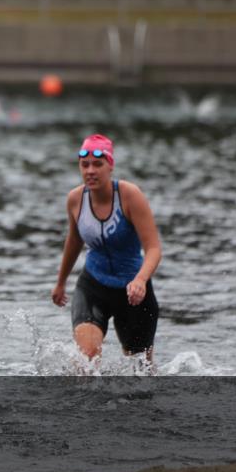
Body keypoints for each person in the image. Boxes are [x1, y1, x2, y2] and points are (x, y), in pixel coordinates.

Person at [51, 134, 162, 373]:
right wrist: (60, 283)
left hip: (133, 291)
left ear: (110, 165)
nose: (90, 170)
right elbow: (74, 241)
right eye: (85, 165)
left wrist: (141, 280)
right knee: (86, 360)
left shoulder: (130, 196)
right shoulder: (75, 199)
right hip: (94, 286)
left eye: (98, 164)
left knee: (141, 370)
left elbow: (153, 247)